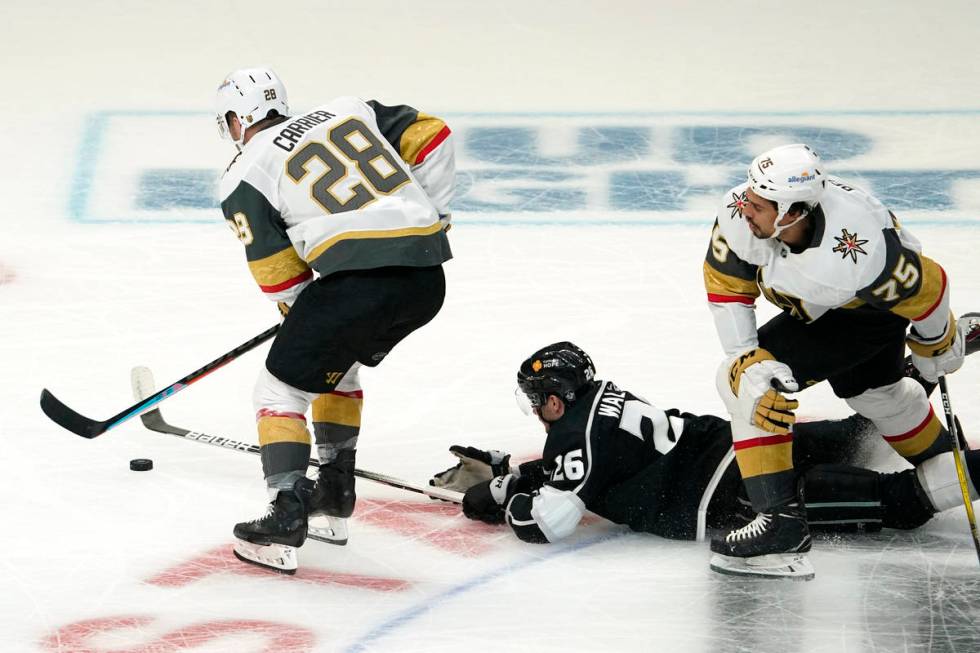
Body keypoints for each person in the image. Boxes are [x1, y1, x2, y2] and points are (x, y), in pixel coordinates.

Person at [431, 338, 979, 580]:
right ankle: (925, 369)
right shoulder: (602, 399)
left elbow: (549, 521)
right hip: (743, 440)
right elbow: (596, 464)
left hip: (739, 499)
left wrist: (500, 503)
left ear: (554, 398)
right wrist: (510, 474)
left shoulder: (573, 437)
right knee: (860, 432)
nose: (536, 411)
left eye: (536, 400)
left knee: (903, 503)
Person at [214, 66, 455, 574]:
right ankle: (334, 493)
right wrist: (436, 217)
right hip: (426, 280)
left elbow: (276, 272)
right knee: (336, 367)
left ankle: (286, 513)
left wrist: (301, 314)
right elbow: (433, 135)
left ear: (239, 119)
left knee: (278, 392)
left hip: (358, 284)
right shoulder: (349, 109)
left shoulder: (244, 172)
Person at [701, 143, 974, 578]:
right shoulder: (740, 211)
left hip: (863, 313)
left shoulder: (859, 252)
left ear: (792, 212)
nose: (744, 207)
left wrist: (935, 342)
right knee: (875, 395)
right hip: (825, 309)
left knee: (751, 388)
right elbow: (726, 285)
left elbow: (930, 286)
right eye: (749, 194)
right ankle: (942, 458)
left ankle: (780, 527)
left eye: (758, 203)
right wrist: (743, 353)